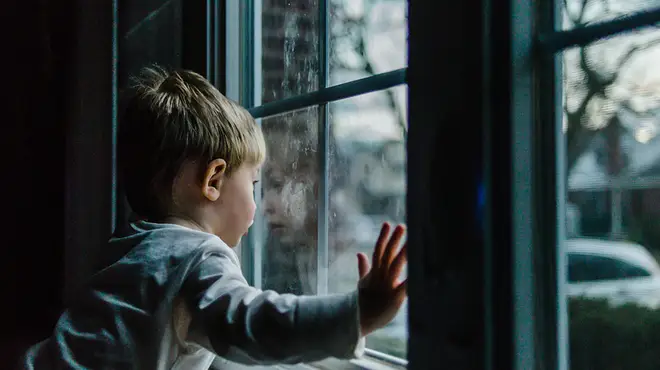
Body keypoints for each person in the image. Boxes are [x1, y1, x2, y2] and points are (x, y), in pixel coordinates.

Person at [19, 66, 407, 370]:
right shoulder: (196, 257)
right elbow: (253, 325)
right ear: (213, 180)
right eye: (254, 185)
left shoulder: (131, 243)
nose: (258, 203)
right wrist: (355, 316)